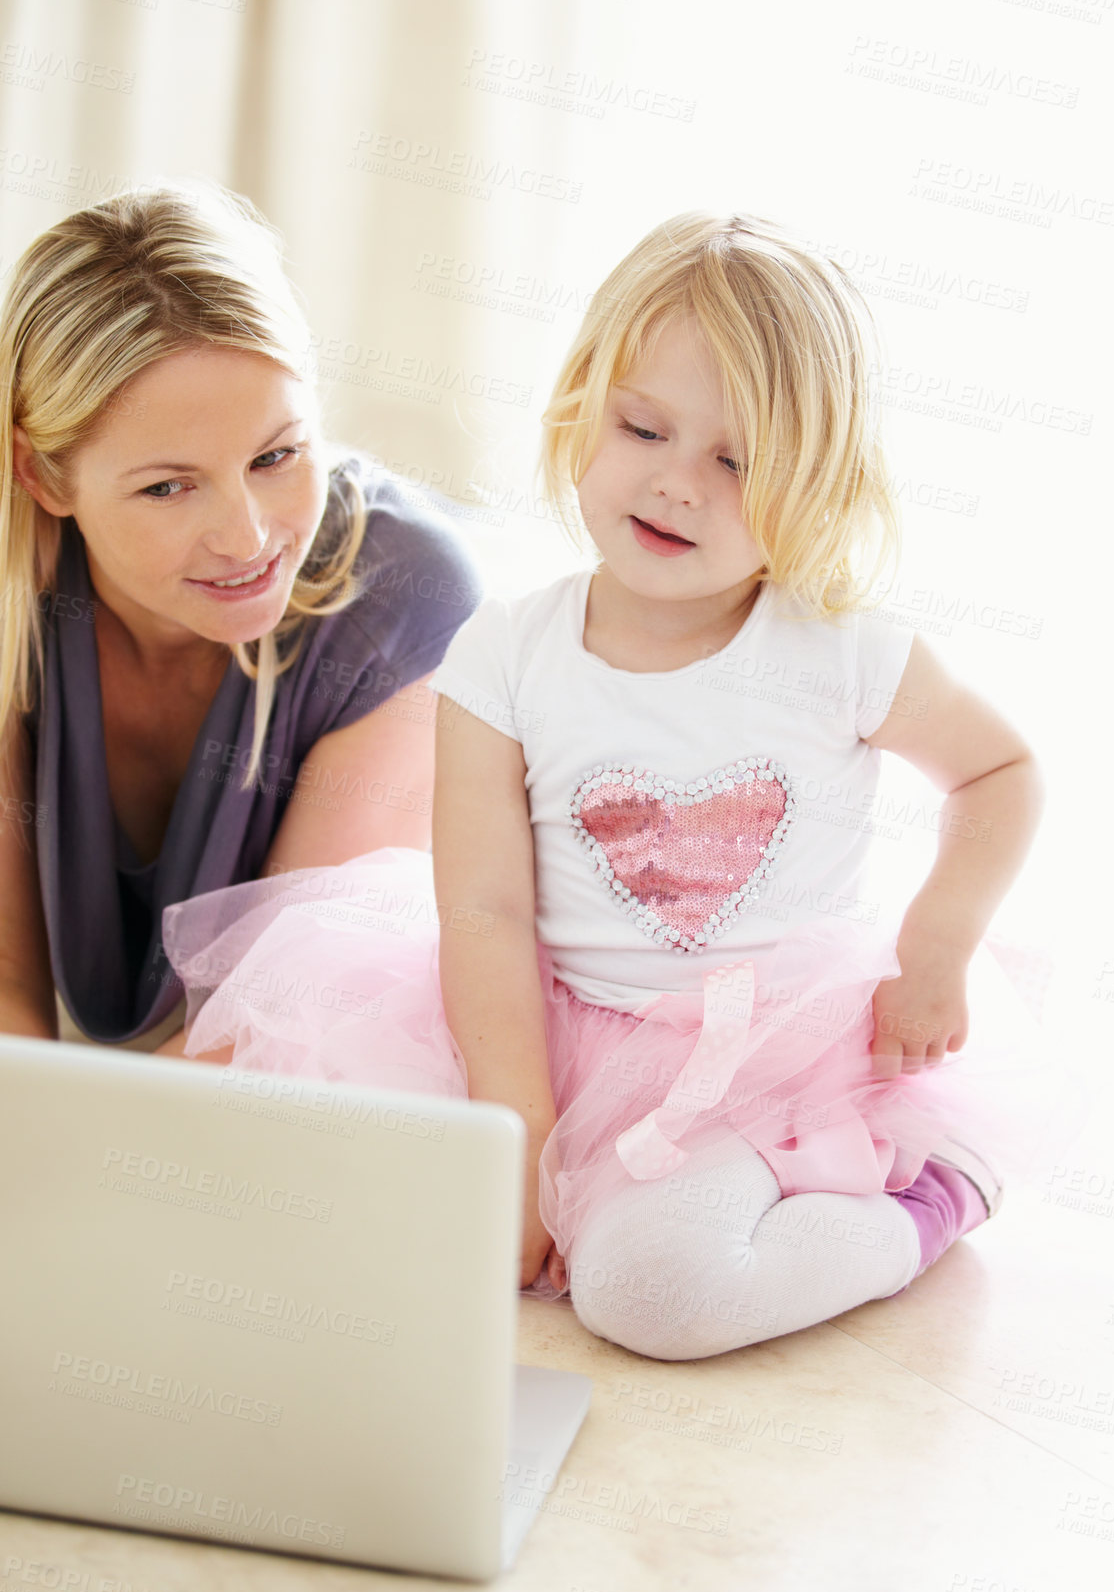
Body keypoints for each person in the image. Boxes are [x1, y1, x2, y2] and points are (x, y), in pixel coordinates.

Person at [164, 213, 1052, 1362]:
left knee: (646, 1294)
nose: (677, 483)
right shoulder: (505, 655)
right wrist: (520, 1132)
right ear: (582, 411)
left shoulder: (838, 650)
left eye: (736, 460)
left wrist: (937, 942)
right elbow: (484, 909)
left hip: (767, 1053)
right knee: (321, 1204)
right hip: (542, 1026)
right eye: (644, 427)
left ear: (814, 482)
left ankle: (916, 1200)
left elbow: (1000, 769)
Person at [0, 182, 481, 1051]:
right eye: (168, 486)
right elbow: (5, 985)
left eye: (276, 454)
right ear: (44, 477)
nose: (249, 537)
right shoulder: (16, 603)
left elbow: (267, 1019)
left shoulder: (409, 597)